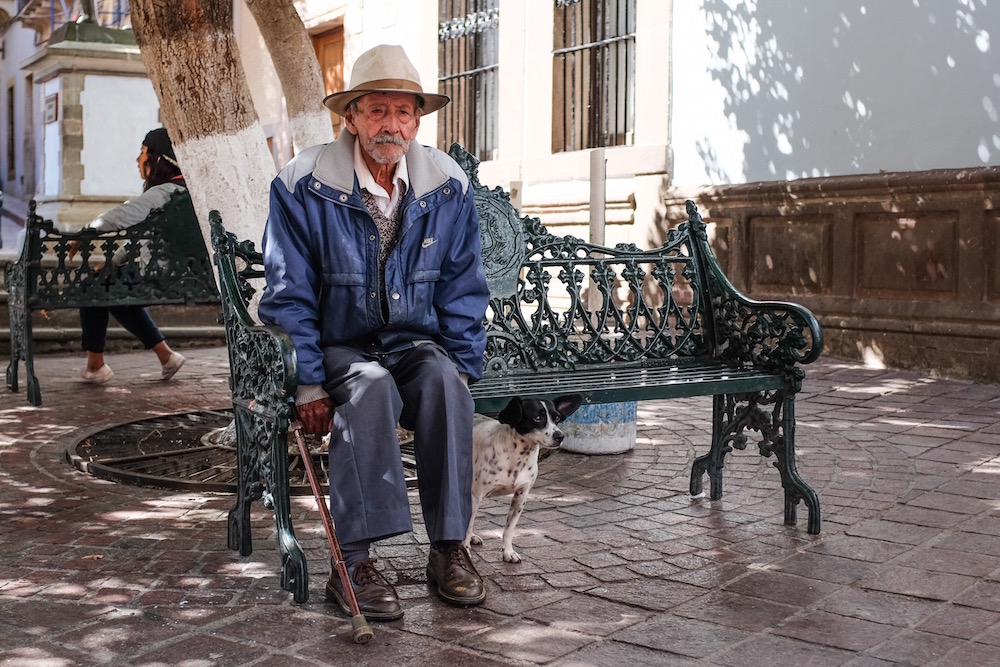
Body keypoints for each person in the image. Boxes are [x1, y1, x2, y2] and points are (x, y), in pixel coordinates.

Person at [259, 44, 490, 621]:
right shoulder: (302, 183)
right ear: (352, 117)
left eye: (404, 112)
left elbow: (463, 286)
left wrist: (461, 365)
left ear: (418, 119)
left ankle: (449, 549)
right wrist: (309, 382)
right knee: (370, 389)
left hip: (410, 341)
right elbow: (289, 295)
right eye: (378, 111)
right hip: (339, 344)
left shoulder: (446, 184)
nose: (392, 125)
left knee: (443, 382)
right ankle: (354, 561)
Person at [73, 128, 187, 384]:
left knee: (91, 288)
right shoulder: (188, 193)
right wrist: (113, 261)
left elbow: (120, 216)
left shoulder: (160, 194)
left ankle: (95, 366)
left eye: (142, 153)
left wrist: (85, 233)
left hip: (156, 275)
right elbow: (146, 240)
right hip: (190, 277)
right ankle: (166, 357)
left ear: (156, 160)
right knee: (111, 289)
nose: (138, 160)